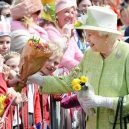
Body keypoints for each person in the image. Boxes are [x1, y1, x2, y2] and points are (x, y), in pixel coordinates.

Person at [28, 6, 129, 129]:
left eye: (90, 34)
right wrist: (38, 79)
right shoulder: (89, 54)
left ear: (106, 36)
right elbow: (68, 82)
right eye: (86, 34)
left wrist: (104, 102)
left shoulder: (126, 54)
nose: (86, 39)